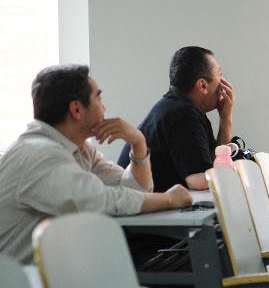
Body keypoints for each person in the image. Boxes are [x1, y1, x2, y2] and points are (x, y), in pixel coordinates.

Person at [0, 64, 192, 264]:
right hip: (21, 287)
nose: (104, 107)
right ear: (76, 109)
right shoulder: (39, 154)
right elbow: (101, 201)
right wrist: (168, 199)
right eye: (98, 98)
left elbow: (135, 190)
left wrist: (138, 143)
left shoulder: (79, 149)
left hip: (52, 278)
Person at [118, 46, 235, 191]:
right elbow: (199, 181)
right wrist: (238, 173)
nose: (222, 82)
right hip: (138, 209)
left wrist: (225, 118)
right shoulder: (182, 114)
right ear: (203, 85)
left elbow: (215, 160)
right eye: (220, 74)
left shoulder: (182, 108)